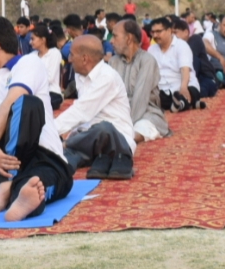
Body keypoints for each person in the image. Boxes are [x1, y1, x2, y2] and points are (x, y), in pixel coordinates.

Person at [0, 16, 73, 222]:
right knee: (26, 183)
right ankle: (12, 187)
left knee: (27, 103)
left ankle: (15, 191)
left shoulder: (28, 62)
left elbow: (11, 100)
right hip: (1, 163)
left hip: (44, 158)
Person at [56, 36, 135, 180]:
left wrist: (50, 131)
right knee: (60, 162)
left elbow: (82, 111)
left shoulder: (107, 76)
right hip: (87, 138)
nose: (69, 60)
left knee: (104, 128)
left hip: (114, 138)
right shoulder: (80, 76)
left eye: (72, 55)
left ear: (85, 59)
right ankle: (70, 150)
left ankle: (68, 144)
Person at [110, 19, 170, 141]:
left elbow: (140, 98)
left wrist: (125, 124)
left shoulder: (147, 60)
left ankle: (120, 139)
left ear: (129, 38)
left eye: (115, 36)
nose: (111, 41)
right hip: (118, 113)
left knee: (140, 130)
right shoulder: (113, 61)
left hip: (146, 113)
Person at [147, 17, 205, 112]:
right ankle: (187, 104)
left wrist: (183, 88)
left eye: (158, 31)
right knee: (155, 98)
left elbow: (184, 69)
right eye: (153, 32)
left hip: (184, 84)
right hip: (163, 89)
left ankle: (181, 102)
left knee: (189, 93)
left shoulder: (181, 46)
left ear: (169, 30)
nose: (155, 35)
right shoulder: (151, 49)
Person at [173, 17, 218, 97]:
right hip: (185, 79)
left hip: (204, 76)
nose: (173, 36)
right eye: (171, 33)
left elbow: (192, 62)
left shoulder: (195, 39)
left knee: (199, 92)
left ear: (186, 32)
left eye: (175, 32)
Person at [29, 24, 63, 111]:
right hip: (35, 93)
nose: (30, 42)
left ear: (43, 40)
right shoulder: (32, 55)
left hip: (52, 92)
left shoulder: (54, 53)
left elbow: (50, 78)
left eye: (33, 39)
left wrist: (32, 82)